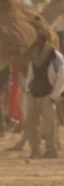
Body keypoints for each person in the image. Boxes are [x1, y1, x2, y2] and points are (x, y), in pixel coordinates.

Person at [25, 29, 64, 159]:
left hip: (48, 94)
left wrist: (55, 95)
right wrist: (28, 89)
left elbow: (61, 77)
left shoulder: (55, 56)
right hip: (33, 93)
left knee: (50, 124)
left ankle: (51, 149)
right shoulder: (34, 55)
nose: (39, 41)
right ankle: (35, 149)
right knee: (31, 123)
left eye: (41, 39)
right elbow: (31, 73)